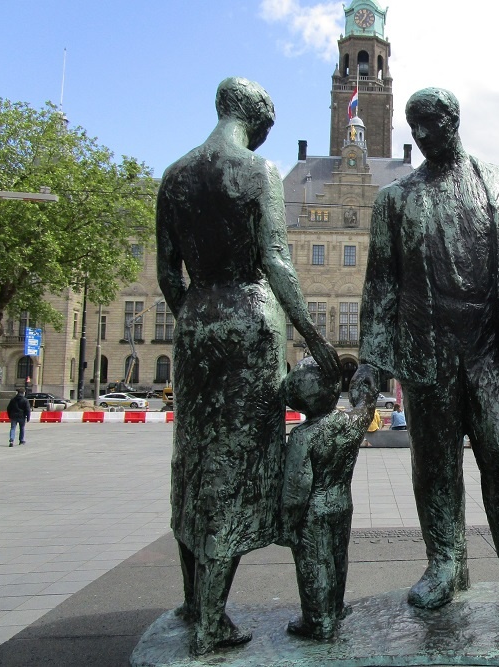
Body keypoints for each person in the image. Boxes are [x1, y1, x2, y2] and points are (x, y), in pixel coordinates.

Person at [351, 88, 499, 628]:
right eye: (414, 125)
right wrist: (370, 361)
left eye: (430, 122)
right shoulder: (396, 200)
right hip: (427, 355)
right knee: (434, 469)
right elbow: (380, 285)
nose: (422, 134)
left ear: (454, 120)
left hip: (492, 356)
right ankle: (446, 564)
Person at [156, 77, 339, 655]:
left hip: (197, 326)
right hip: (248, 319)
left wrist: (196, 319)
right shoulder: (257, 172)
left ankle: (192, 601)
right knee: (238, 467)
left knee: (194, 457)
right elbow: (278, 261)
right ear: (256, 120)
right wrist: (313, 336)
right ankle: (213, 621)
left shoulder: (174, 176)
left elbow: (167, 274)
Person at [278, 358, 375, 640]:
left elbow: (297, 488)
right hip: (342, 503)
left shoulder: (302, 436)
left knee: (315, 564)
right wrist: (364, 387)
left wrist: (287, 523)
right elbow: (366, 410)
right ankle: (335, 607)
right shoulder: (350, 423)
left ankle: (318, 621)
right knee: (337, 557)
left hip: (313, 511)